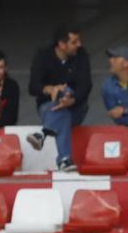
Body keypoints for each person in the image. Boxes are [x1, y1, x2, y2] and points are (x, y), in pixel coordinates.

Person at [27, 28, 91, 172]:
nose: (79, 44)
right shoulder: (43, 56)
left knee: (66, 92)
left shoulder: (81, 55)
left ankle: (42, 133)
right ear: (62, 44)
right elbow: (33, 87)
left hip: (76, 108)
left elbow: (86, 86)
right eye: (74, 42)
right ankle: (64, 160)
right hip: (48, 107)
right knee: (63, 112)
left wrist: (71, 99)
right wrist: (51, 89)